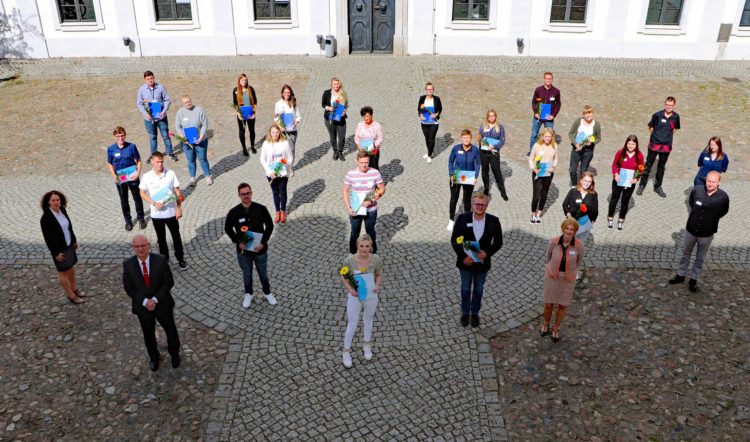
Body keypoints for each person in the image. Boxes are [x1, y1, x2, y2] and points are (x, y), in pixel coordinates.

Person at [122, 235, 181, 372]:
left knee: (170, 330)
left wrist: (154, 300)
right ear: (133, 248)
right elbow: (128, 287)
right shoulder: (128, 264)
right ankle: (154, 357)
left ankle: (174, 354)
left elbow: (168, 282)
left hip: (162, 303)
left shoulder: (160, 260)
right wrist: (144, 301)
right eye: (137, 246)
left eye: (143, 245)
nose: (140, 249)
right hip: (143, 307)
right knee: (148, 333)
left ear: (148, 245)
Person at [668, 171, 730, 292]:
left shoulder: (723, 197)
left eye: (713, 181)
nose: (710, 183)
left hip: (707, 234)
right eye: (709, 180)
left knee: (700, 258)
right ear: (706, 180)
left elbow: (723, 211)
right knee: (686, 253)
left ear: (718, 183)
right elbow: (691, 203)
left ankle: (693, 279)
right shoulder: (697, 190)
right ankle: (681, 275)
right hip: (691, 230)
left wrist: (711, 218)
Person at [450, 192, 504, 328]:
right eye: (477, 204)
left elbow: (498, 242)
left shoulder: (494, 221)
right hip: (466, 263)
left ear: (486, 206)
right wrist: (463, 257)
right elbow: (455, 240)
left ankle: (474, 313)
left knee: (479, 289)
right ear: (472, 204)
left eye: (482, 205)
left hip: (482, 264)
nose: (479, 207)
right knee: (465, 288)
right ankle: (464, 313)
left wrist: (487, 253)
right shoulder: (462, 219)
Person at [224, 183, 277, 309]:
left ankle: (267, 292)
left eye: (248, 193)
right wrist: (238, 242)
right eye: (243, 194)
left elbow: (269, 226)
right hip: (243, 252)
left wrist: (263, 242)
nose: (246, 196)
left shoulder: (261, 209)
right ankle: (248, 294)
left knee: (263, 273)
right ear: (239, 195)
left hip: (260, 250)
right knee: (246, 274)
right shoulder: (234, 212)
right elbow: (227, 228)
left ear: (251, 193)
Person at [340, 235, 383, 368]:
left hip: (371, 295)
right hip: (355, 295)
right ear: (357, 246)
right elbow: (343, 276)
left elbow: (378, 274)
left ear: (371, 247)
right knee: (352, 323)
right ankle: (346, 352)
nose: (364, 249)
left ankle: (366, 345)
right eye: (362, 246)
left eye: (367, 246)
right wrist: (350, 289)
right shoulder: (349, 260)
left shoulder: (376, 259)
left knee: (368, 320)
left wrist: (377, 286)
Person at [139, 152, 187, 270]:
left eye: (161, 161)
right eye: (157, 162)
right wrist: (154, 203)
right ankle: (165, 259)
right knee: (161, 239)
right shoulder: (147, 176)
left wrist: (179, 208)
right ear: (152, 162)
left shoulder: (170, 173)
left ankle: (180, 258)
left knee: (176, 237)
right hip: (157, 214)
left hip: (171, 212)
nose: (160, 164)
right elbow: (142, 193)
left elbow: (177, 192)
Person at [540, 218, 586, 343]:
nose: (569, 231)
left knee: (562, 305)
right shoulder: (554, 242)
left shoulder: (579, 246)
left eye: (572, 229)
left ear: (575, 232)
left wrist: (571, 273)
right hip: (552, 278)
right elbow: (548, 256)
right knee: (548, 304)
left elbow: (579, 262)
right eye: (567, 228)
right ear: (563, 229)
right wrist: (552, 270)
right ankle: (546, 324)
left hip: (567, 280)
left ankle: (556, 328)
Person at [40, 190, 83, 305]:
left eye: (57, 200)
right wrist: (56, 253)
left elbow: (69, 227)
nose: (56, 202)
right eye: (53, 200)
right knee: (63, 271)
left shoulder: (62, 210)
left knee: (71, 267)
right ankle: (70, 295)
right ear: (48, 202)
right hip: (59, 250)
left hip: (68, 244)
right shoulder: (46, 218)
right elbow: (48, 238)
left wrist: (73, 240)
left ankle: (74, 288)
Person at [343, 151, 386, 254]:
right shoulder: (351, 174)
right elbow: (345, 191)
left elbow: (382, 188)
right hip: (356, 208)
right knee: (354, 233)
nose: (364, 165)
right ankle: (352, 254)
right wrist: (349, 208)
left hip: (371, 209)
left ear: (369, 161)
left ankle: (373, 253)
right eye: (361, 162)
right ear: (357, 161)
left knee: (370, 232)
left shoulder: (375, 172)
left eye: (366, 162)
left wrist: (372, 200)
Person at [637, 96, 681, 198]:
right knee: (648, 165)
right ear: (664, 104)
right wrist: (657, 136)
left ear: (674, 106)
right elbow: (650, 127)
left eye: (671, 105)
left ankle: (658, 186)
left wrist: (666, 136)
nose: (668, 107)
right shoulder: (657, 115)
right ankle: (642, 184)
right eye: (667, 105)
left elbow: (675, 129)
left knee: (661, 167)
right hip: (654, 144)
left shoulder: (676, 117)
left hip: (666, 146)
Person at [107, 126, 146, 231]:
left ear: (125, 135)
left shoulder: (132, 146)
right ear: (114, 136)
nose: (120, 138)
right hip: (121, 177)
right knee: (124, 200)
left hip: (132, 175)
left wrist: (138, 172)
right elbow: (110, 163)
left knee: (137, 198)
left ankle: (141, 218)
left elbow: (138, 160)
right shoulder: (111, 149)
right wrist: (114, 176)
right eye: (118, 136)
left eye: (122, 135)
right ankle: (128, 221)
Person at [136, 70, 176, 162]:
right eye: (148, 79)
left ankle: (170, 152)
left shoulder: (160, 87)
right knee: (152, 137)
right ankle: (153, 155)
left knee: (165, 135)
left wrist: (164, 110)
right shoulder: (141, 90)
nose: (150, 80)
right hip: (149, 119)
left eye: (151, 78)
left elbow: (167, 100)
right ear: (145, 80)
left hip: (161, 117)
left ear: (154, 78)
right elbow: (139, 103)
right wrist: (145, 114)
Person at [607, 135, 645, 231]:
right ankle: (610, 217)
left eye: (633, 144)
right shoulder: (620, 152)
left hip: (630, 183)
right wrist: (615, 174)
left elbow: (641, 169)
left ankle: (621, 219)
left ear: (636, 145)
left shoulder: (639, 155)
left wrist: (636, 179)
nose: (630, 146)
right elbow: (614, 164)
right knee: (614, 200)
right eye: (629, 143)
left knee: (625, 202)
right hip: (618, 180)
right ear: (626, 143)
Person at [259, 124, 294, 224]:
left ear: (280, 133)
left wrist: (282, 168)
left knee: (282, 191)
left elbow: (289, 158)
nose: (275, 134)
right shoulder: (266, 144)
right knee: (275, 192)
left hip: (282, 172)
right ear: (270, 133)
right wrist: (270, 172)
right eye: (273, 132)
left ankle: (283, 211)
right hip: (271, 173)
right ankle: (277, 212)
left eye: (277, 132)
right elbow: (262, 159)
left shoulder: (285, 143)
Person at [447, 129, 481, 231]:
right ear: (461, 138)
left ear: (471, 138)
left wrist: (475, 177)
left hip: (469, 177)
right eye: (464, 138)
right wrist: (451, 174)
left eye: (468, 138)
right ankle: (451, 220)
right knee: (454, 199)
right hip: (457, 175)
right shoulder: (456, 148)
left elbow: (478, 163)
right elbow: (450, 162)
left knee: (467, 200)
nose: (466, 140)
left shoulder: (475, 150)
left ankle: (467, 220)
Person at [175, 95, 212, 187]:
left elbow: (204, 124)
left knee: (202, 159)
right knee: (190, 160)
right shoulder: (180, 112)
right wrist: (182, 137)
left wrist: (201, 137)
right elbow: (177, 126)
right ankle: (192, 178)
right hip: (187, 142)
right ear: (183, 104)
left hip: (200, 141)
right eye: (185, 102)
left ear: (191, 101)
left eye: (189, 101)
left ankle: (208, 176)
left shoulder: (199, 110)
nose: (188, 104)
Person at [528, 127, 558, 224]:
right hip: (538, 172)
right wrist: (533, 168)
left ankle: (539, 213)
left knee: (544, 193)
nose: (548, 138)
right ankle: (533, 213)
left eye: (549, 136)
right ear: (542, 136)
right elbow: (531, 158)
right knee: (536, 195)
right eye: (546, 136)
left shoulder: (554, 146)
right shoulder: (537, 145)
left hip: (548, 173)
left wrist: (553, 166)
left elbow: (556, 159)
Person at [477, 109, 508, 201]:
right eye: (490, 116)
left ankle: (503, 192)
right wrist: (480, 141)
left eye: (493, 115)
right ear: (487, 117)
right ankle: (486, 188)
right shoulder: (483, 126)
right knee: (484, 171)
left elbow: (502, 141)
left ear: (495, 116)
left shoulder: (500, 127)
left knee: (497, 172)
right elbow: (480, 137)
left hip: (494, 152)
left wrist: (494, 146)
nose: (491, 117)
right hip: (484, 153)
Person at [528, 72, 561, 157]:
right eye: (547, 78)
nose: (548, 80)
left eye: (550, 78)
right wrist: (535, 113)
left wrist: (553, 115)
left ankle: (548, 152)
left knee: (549, 135)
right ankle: (532, 151)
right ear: (544, 79)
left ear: (552, 79)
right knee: (534, 134)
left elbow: (558, 104)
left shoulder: (556, 91)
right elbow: (534, 102)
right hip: (538, 117)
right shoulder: (538, 90)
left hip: (549, 118)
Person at [567, 105, 601, 186]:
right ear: (583, 114)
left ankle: (581, 186)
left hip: (588, 151)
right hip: (576, 149)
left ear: (592, 113)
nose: (588, 115)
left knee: (583, 171)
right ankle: (574, 185)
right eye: (586, 113)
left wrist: (592, 143)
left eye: (590, 113)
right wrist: (576, 144)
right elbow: (570, 133)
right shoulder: (578, 121)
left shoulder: (596, 124)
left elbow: (598, 138)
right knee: (572, 170)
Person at [322, 77, 348, 161]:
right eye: (334, 84)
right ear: (331, 85)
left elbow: (346, 104)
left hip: (341, 118)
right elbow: (323, 104)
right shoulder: (327, 93)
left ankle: (340, 151)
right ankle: (335, 151)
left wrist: (344, 111)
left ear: (339, 84)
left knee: (342, 136)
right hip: (330, 117)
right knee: (332, 135)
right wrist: (328, 108)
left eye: (337, 84)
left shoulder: (343, 93)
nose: (336, 85)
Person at [233, 73, 258, 156]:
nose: (244, 81)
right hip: (241, 113)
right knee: (242, 131)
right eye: (242, 80)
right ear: (239, 81)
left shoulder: (250, 89)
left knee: (251, 130)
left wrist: (254, 113)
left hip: (250, 113)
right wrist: (238, 115)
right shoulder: (236, 90)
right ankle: (244, 148)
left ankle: (252, 146)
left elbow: (255, 102)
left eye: (245, 80)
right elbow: (235, 104)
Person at [418, 82, 442, 163]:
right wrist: (420, 115)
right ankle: (429, 151)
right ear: (425, 90)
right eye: (428, 89)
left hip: (433, 122)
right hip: (424, 122)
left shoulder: (437, 99)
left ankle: (429, 155)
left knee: (431, 139)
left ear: (433, 90)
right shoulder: (422, 98)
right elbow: (419, 109)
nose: (429, 91)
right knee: (427, 138)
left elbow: (440, 109)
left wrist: (436, 114)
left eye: (431, 89)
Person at [274, 84, 301, 157]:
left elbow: (298, 116)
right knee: (283, 148)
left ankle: (290, 166)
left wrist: (296, 122)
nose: (287, 94)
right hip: (283, 131)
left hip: (292, 129)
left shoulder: (293, 103)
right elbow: (276, 118)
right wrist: (280, 127)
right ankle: (284, 164)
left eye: (288, 92)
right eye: (285, 92)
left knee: (291, 148)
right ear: (282, 93)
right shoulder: (278, 104)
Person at [353, 106, 384, 170]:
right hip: (363, 150)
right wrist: (359, 146)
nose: (365, 118)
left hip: (373, 151)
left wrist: (373, 146)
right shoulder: (360, 125)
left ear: (371, 115)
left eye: (367, 116)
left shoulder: (377, 126)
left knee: (373, 168)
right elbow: (356, 137)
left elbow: (380, 138)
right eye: (363, 116)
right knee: (363, 167)